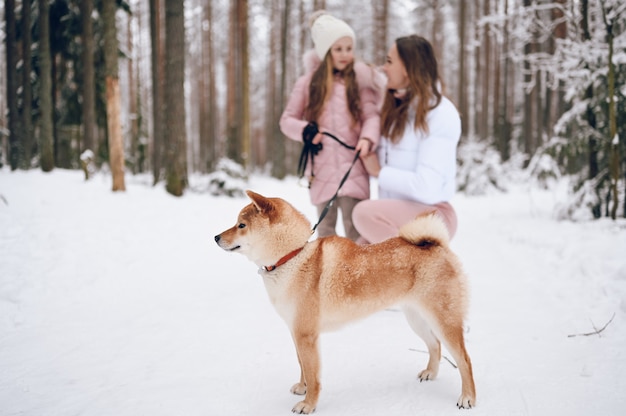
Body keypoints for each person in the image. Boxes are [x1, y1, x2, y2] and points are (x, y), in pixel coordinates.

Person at [280, 11, 384, 241]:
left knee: (357, 230)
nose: (345, 54)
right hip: (321, 169)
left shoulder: (361, 80)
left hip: (354, 166)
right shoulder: (308, 83)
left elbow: (372, 116)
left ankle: (361, 277)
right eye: (339, 49)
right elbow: (286, 120)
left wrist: (367, 138)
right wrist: (306, 131)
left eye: (349, 48)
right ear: (326, 51)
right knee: (326, 234)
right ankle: (329, 276)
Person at [352, 35, 461, 244]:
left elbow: (426, 187)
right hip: (395, 219)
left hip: (435, 216)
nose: (384, 68)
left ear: (408, 68)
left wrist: (379, 172)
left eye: (390, 61)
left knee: (363, 213)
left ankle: (419, 265)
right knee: (357, 258)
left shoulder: (440, 114)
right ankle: (412, 267)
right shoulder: (396, 113)